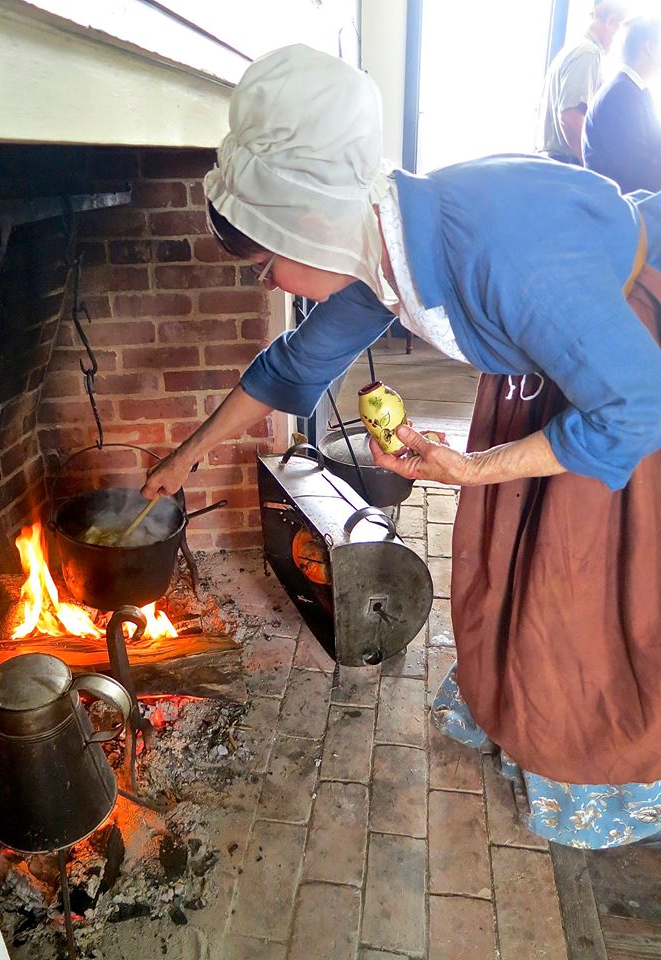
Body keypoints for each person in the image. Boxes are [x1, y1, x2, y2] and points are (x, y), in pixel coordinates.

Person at [142, 44, 661, 849]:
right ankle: (522, 715)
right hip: (560, 361)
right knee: (521, 558)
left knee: (588, 579)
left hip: (630, 356)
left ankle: (598, 767)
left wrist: (476, 467)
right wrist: (185, 458)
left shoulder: (493, 252)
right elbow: (292, 366)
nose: (268, 283)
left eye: (267, 260)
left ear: (303, 221)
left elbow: (636, 407)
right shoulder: (376, 247)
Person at [537, 1, 627, 164]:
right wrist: (593, 169)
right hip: (567, 165)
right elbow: (570, 117)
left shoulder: (573, 49)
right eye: (620, 29)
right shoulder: (588, 52)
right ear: (611, 22)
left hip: (554, 163)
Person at [583, 16, 661, 193]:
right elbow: (636, 168)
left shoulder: (636, 91)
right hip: (622, 210)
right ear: (650, 47)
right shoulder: (620, 95)